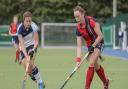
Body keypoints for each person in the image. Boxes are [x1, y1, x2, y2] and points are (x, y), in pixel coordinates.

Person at [73, 6, 109, 89]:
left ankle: (87, 87)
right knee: (95, 66)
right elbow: (79, 46)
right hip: (90, 46)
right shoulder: (78, 28)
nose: (76, 19)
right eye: (75, 17)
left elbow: (100, 36)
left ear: (83, 14)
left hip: (99, 42)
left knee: (91, 62)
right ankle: (105, 81)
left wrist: (93, 46)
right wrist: (78, 60)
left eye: (78, 16)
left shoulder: (91, 22)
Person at [17, 11, 44, 89]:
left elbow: (36, 41)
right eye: (27, 21)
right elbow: (22, 45)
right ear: (23, 21)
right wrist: (26, 56)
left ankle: (40, 83)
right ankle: (38, 81)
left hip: (32, 45)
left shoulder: (33, 26)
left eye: (30, 21)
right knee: (28, 70)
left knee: (31, 64)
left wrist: (32, 49)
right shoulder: (20, 29)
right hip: (24, 47)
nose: (28, 23)